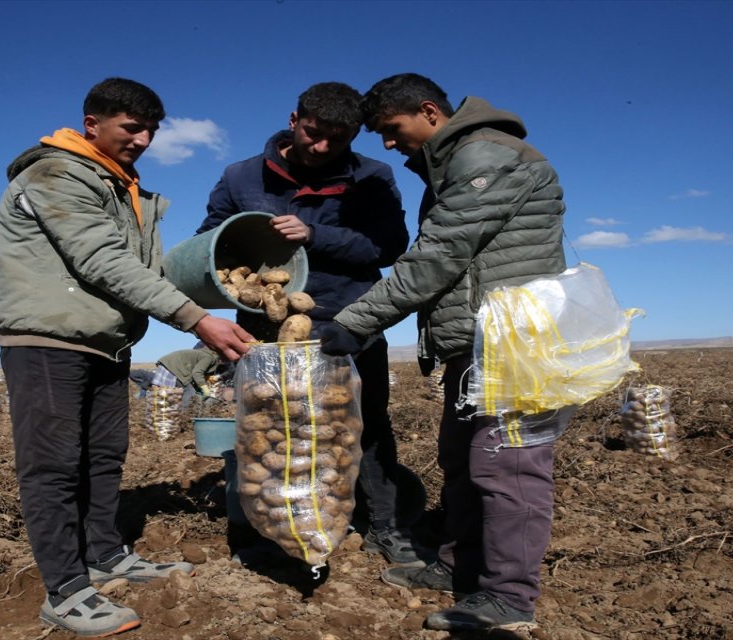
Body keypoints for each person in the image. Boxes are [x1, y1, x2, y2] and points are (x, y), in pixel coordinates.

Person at [0, 77, 255, 637]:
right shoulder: (56, 174)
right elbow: (101, 261)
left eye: (151, 130)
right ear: (93, 124)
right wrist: (196, 319)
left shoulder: (121, 187)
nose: (143, 139)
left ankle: (105, 554)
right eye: (132, 127)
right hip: (47, 339)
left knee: (105, 455)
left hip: (105, 341)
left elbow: (146, 272)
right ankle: (64, 588)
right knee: (54, 465)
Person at [319, 73, 568, 634]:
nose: (386, 143)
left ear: (429, 111)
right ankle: (459, 566)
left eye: (390, 129)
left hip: (515, 342)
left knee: (508, 469)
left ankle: (508, 599)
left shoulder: (484, 155)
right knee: (461, 459)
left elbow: (438, 256)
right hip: (477, 342)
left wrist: (354, 323)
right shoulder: (455, 160)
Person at [197, 82, 424, 565]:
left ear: (354, 137)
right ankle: (272, 527)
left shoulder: (373, 176)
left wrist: (315, 235)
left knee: (366, 425)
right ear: (295, 119)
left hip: (350, 320)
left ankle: (383, 525)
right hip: (266, 329)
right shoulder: (242, 176)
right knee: (271, 428)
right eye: (314, 134)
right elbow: (210, 239)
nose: (321, 148)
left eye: (337, 140)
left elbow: (388, 246)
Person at [152, 347, 227, 409]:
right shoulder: (209, 358)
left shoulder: (207, 356)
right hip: (173, 367)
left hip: (171, 365)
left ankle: (179, 412)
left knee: (183, 393)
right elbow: (197, 373)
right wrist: (205, 388)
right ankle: (185, 416)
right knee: (190, 392)